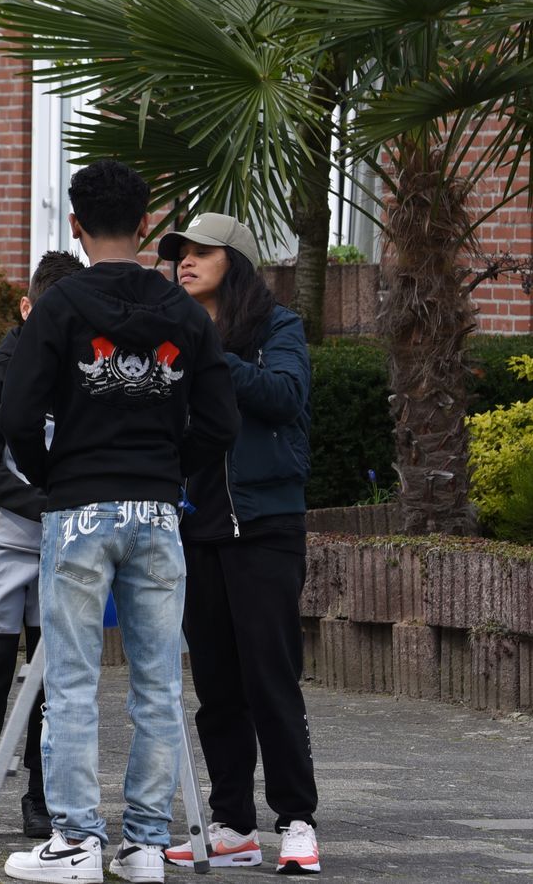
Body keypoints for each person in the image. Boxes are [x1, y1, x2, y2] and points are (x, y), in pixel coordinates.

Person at [0, 160, 240, 884]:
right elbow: (221, 422)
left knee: (72, 682)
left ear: (74, 224)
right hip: (157, 511)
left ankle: (75, 842)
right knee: (158, 686)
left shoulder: (59, 307)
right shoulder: (185, 315)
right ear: (145, 224)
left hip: (78, 508)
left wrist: (54, 477)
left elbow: (16, 414)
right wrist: (168, 471)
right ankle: (144, 847)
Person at [159, 212, 321, 876]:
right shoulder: (171, 336)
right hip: (197, 526)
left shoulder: (277, 328)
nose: (185, 261)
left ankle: (297, 822)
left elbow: (285, 396)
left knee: (269, 679)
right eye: (180, 252)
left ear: (237, 262)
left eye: (202, 251)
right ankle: (232, 825)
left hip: (265, 526)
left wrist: (213, 358)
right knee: (217, 687)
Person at [0, 249, 86, 840]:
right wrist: (39, 503)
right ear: (26, 307)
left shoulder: (82, 373)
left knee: (51, 680)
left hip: (65, 549)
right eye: (48, 314)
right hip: (5, 546)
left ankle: (40, 793)